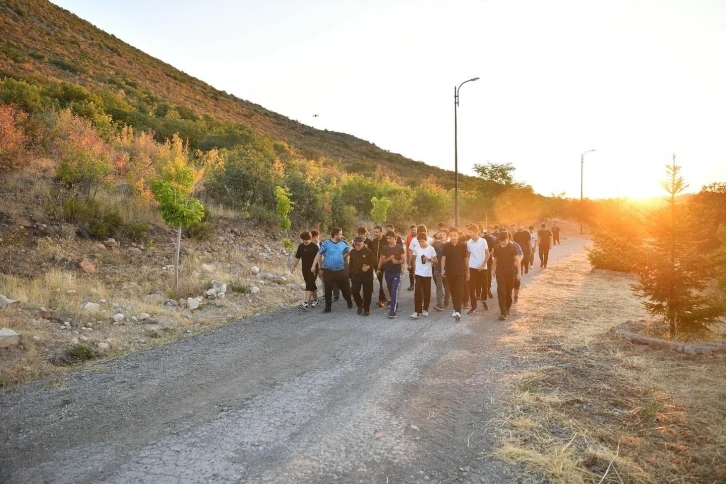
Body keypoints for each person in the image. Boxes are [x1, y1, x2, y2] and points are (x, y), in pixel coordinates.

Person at [312, 228, 353, 313]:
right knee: (328, 289)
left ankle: (349, 300)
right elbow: (319, 254)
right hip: (328, 271)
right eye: (340, 234)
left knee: (345, 289)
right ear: (336, 235)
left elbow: (350, 251)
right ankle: (328, 307)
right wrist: (313, 265)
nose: (341, 236)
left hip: (340, 270)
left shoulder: (342, 244)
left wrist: (342, 257)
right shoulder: (326, 244)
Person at [441, 227, 469, 322]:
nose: (453, 237)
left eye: (455, 235)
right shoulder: (446, 246)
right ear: (449, 236)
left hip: (460, 272)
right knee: (452, 291)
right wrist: (442, 269)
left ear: (458, 235)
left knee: (458, 291)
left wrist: (467, 271)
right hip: (450, 272)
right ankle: (455, 308)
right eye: (451, 235)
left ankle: (458, 311)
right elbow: (443, 258)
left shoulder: (462, 245)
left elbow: (465, 259)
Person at [491, 231, 520, 321]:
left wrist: (519, 273)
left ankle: (507, 307)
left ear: (508, 238)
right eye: (501, 240)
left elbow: (517, 260)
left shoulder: (512, 247)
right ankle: (503, 313)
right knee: (501, 291)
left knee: (508, 291)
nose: (503, 242)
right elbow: (495, 259)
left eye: (504, 240)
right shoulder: (497, 247)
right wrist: (493, 269)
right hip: (500, 271)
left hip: (510, 272)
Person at [379, 230, 405, 318]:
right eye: (387, 238)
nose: (389, 240)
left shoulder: (400, 248)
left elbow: (403, 260)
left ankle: (393, 311)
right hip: (388, 272)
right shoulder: (385, 248)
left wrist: (397, 261)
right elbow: (382, 261)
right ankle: (395, 303)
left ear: (395, 238)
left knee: (394, 290)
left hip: (397, 272)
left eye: (390, 238)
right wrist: (389, 259)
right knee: (390, 290)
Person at [410, 232, 437, 319]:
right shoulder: (416, 248)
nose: (421, 243)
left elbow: (436, 261)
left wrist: (429, 259)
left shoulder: (431, 249)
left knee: (427, 291)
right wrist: (414, 271)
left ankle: (425, 309)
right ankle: (417, 311)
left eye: (422, 241)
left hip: (427, 273)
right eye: (419, 241)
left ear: (426, 240)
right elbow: (414, 260)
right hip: (418, 273)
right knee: (417, 291)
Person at [291, 231, 319, 310]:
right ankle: (316, 300)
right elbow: (297, 257)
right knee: (311, 284)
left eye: (307, 239)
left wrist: (320, 268)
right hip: (304, 269)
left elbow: (319, 257)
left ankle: (306, 303)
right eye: (304, 239)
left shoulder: (314, 247)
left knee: (309, 283)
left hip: (313, 268)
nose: (305, 241)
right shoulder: (301, 247)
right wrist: (293, 266)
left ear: (310, 238)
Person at [466, 224, 489, 315]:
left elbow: (487, 254)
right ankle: (473, 307)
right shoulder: (468, 242)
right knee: (472, 288)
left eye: (471, 232)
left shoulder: (483, 241)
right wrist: (467, 267)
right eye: (469, 232)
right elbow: (468, 255)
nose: (469, 234)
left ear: (476, 232)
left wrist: (483, 265)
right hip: (472, 267)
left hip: (483, 268)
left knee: (485, 287)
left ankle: (483, 299)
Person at [349, 236, 375, 316]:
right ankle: (360, 304)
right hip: (356, 275)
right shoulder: (352, 252)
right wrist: (350, 275)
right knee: (354, 291)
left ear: (363, 244)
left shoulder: (368, 251)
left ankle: (366, 309)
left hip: (367, 275)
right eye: (355, 244)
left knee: (367, 293)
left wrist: (368, 267)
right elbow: (351, 264)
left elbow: (374, 262)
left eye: (359, 244)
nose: (357, 246)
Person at [367, 226, 389, 308]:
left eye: (377, 232)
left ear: (381, 232)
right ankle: (385, 297)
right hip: (376, 265)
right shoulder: (374, 241)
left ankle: (381, 300)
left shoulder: (386, 240)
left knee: (383, 283)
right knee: (381, 282)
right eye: (374, 232)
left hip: (386, 265)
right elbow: (371, 253)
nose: (375, 233)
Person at [432, 232, 447, 311]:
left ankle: (439, 304)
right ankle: (447, 302)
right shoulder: (447, 245)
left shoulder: (433, 245)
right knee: (447, 285)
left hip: (437, 268)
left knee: (439, 286)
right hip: (446, 268)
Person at [482, 229, 497, 300]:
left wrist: (489, 254)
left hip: (488, 260)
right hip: (478, 261)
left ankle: (488, 290)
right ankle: (479, 293)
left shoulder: (488, 238)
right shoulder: (473, 239)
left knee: (488, 276)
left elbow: (494, 248)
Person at [405, 225, 417, 291]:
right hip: (410, 256)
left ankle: (417, 284)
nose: (414, 231)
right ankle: (412, 285)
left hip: (417, 256)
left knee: (417, 270)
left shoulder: (418, 237)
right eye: (412, 230)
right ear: (410, 230)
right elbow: (407, 248)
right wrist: (407, 257)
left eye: (415, 230)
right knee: (410, 270)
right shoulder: (408, 237)